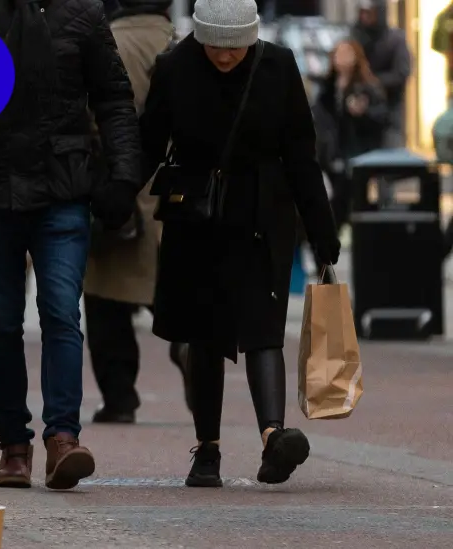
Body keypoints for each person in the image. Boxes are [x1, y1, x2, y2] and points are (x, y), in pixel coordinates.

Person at [0, 0, 144, 490]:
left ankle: (63, 438)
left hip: (63, 187)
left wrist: (124, 177)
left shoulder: (82, 11)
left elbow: (114, 98)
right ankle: (14, 445)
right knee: (1, 322)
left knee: (61, 311)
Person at [140, 0, 340, 488]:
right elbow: (149, 143)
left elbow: (301, 155)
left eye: (236, 47)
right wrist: (113, 197)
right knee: (204, 334)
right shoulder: (174, 68)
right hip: (198, 218)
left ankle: (274, 438)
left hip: (262, 217)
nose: (226, 55)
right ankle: (207, 449)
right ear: (199, 36)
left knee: (263, 325)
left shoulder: (278, 66)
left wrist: (321, 229)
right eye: (215, 46)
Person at [83, 0, 192, 425]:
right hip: (175, 190)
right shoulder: (182, 44)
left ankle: (119, 396)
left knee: (106, 298)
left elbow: (92, 117)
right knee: (173, 291)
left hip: (120, 189)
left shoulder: (106, 43)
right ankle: (188, 347)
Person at [313, 39, 388, 233]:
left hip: (358, 152)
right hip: (332, 153)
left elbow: (381, 118)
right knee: (336, 201)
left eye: (347, 53)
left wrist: (362, 113)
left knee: (353, 201)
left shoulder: (367, 86)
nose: (342, 58)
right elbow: (320, 118)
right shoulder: (327, 88)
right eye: (338, 53)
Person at [353, 0, 411, 149]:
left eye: (369, 13)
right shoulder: (355, 37)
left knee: (389, 155)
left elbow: (401, 73)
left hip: (389, 110)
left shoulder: (395, 39)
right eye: (362, 12)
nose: (364, 17)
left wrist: (373, 81)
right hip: (361, 114)